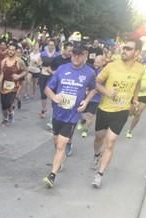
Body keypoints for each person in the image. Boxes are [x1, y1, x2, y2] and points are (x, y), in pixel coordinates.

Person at [91, 38, 145, 188]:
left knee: (110, 142)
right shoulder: (111, 66)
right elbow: (95, 83)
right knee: (99, 138)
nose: (124, 50)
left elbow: (138, 84)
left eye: (129, 48)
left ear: (137, 52)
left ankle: (99, 175)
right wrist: (107, 92)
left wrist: (135, 99)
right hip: (104, 109)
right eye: (124, 47)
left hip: (121, 111)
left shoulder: (140, 69)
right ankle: (96, 155)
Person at [42, 45, 98, 188]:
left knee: (61, 144)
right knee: (56, 142)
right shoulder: (62, 69)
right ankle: (61, 159)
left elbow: (93, 88)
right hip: (58, 112)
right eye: (74, 54)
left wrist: (85, 101)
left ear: (85, 55)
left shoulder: (89, 73)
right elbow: (48, 88)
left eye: (79, 55)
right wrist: (54, 97)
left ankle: (52, 175)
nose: (76, 57)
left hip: (72, 115)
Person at [0, 42, 27, 126]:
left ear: (15, 51)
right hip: (4, 86)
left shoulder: (19, 61)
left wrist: (18, 76)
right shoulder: (4, 61)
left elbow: (26, 70)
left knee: (9, 103)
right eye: (10, 50)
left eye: (13, 50)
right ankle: (5, 118)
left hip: (14, 86)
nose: (11, 51)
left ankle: (10, 113)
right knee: (3, 105)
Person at [78, 54, 105, 138]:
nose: (95, 64)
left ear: (103, 62)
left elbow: (102, 87)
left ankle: (85, 130)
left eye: (98, 62)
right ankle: (82, 120)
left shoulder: (105, 73)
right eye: (95, 62)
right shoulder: (91, 70)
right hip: (85, 95)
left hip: (96, 98)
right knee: (79, 112)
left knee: (90, 115)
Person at [38, 39, 57, 119]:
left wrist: (53, 71)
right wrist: (39, 65)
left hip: (51, 76)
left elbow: (58, 66)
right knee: (43, 93)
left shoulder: (57, 55)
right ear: (47, 45)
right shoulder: (43, 53)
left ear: (54, 46)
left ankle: (54, 111)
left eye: (52, 45)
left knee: (50, 93)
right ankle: (43, 109)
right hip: (42, 75)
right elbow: (38, 63)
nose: (51, 46)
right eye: (49, 45)